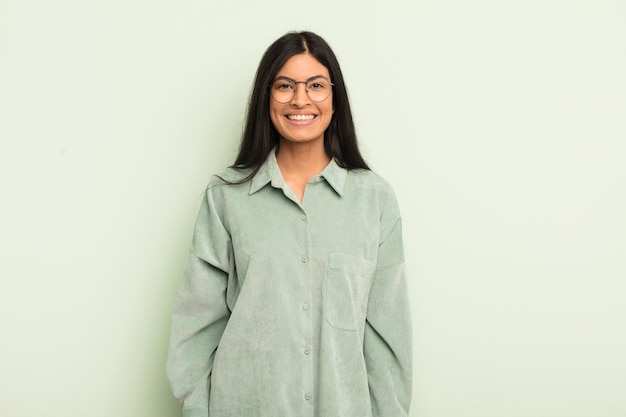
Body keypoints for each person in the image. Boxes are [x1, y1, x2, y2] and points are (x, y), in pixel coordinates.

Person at [166, 31, 412, 417]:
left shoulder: (374, 199)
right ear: (267, 97)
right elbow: (196, 328)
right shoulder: (225, 198)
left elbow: (387, 335)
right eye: (285, 86)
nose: (300, 99)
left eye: (316, 85)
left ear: (335, 98)